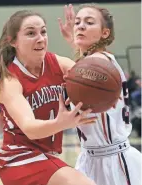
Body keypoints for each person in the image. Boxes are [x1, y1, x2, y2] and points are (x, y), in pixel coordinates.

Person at [0, 10, 97, 185]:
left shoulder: (57, 63)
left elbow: (94, 78)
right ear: (13, 41)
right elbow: (30, 128)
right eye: (30, 33)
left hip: (46, 155)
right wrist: (62, 123)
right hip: (19, 157)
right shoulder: (9, 80)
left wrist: (76, 43)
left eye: (43, 31)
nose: (40, 38)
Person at [58, 4, 141, 185]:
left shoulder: (98, 64)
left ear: (105, 33)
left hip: (113, 160)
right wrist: (74, 42)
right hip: (89, 157)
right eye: (78, 22)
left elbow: (88, 70)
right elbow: (86, 66)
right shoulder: (94, 63)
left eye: (89, 22)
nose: (80, 26)